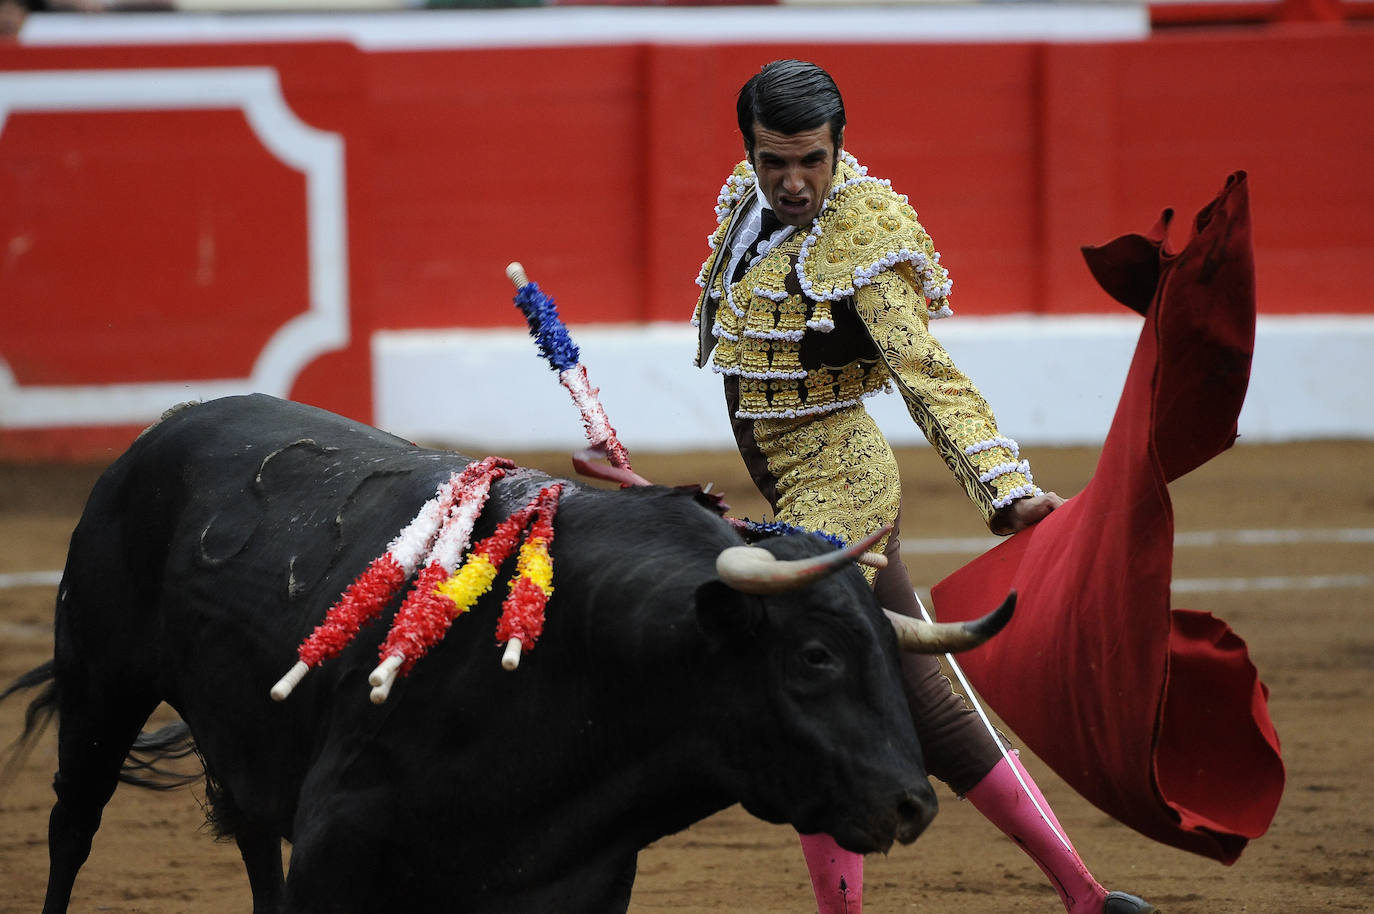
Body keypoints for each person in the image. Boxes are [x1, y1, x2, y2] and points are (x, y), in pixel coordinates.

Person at [690, 59, 1158, 914]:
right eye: (773, 162)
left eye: (812, 162)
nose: (793, 183)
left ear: (840, 148)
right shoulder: (744, 198)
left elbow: (926, 373)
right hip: (790, 480)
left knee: (812, 681)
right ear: (749, 152)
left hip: (841, 484)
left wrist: (1004, 486)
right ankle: (1089, 897)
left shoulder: (863, 238)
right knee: (931, 702)